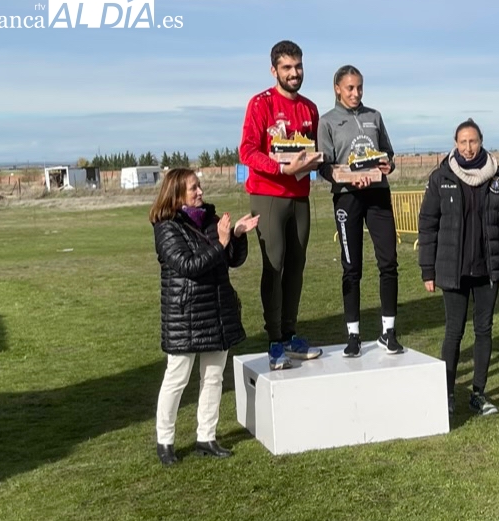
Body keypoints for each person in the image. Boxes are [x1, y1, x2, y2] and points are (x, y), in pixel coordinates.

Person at [149, 168, 259, 466]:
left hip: (217, 311)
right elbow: (189, 265)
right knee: (177, 378)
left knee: (213, 377)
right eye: (194, 188)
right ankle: (165, 441)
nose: (200, 192)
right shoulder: (166, 227)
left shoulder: (210, 219)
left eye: (200, 186)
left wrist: (235, 236)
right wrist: (221, 243)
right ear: (176, 195)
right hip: (185, 315)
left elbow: (232, 261)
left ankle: (206, 437)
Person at [417, 119, 499, 416]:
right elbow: (428, 224)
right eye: (462, 142)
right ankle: (447, 394)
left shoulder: (498, 177)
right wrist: (428, 269)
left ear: (481, 142)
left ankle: (478, 393)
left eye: (472, 141)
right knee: (454, 332)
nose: (467, 147)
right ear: (455, 143)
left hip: (487, 269)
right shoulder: (442, 177)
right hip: (452, 270)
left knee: (484, 330)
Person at [239, 40, 323, 370]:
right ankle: (273, 341)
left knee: (296, 266)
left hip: (299, 198)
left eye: (298, 67)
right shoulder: (260, 104)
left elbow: (315, 151)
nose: (294, 73)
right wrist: (280, 169)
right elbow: (247, 151)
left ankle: (290, 335)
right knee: (274, 265)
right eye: (287, 68)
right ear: (274, 70)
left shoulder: (310, 108)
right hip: (269, 195)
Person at [317, 65, 403, 357]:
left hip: (378, 194)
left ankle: (388, 332)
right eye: (350, 88)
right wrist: (349, 177)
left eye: (360, 88)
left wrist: (388, 165)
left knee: (388, 262)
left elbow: (388, 154)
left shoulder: (374, 116)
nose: (356, 93)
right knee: (352, 267)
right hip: (347, 198)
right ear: (337, 89)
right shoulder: (327, 121)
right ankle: (353, 335)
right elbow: (324, 166)